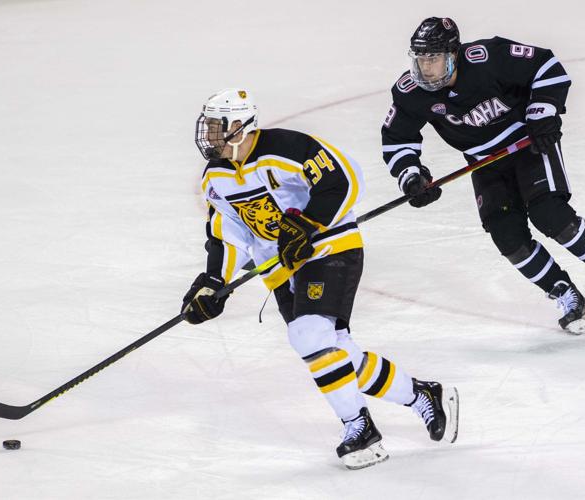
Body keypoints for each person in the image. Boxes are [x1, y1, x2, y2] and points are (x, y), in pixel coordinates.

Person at [183, 88, 459, 469]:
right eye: (208, 126)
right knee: (334, 351)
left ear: (239, 126)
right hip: (280, 269)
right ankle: (420, 395)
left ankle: (359, 428)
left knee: (308, 334)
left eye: (216, 127)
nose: (209, 135)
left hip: (328, 249)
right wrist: (213, 282)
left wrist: (307, 222)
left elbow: (342, 179)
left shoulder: (286, 147)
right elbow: (226, 232)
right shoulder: (215, 177)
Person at [380, 17, 585, 334]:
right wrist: (412, 177)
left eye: (433, 58)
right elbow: (398, 139)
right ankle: (565, 293)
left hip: (528, 144)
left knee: (549, 214)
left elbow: (545, 65)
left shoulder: (487, 58)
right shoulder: (411, 92)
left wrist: (542, 111)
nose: (426, 67)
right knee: (506, 234)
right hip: (483, 162)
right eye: (420, 59)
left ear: (453, 54)